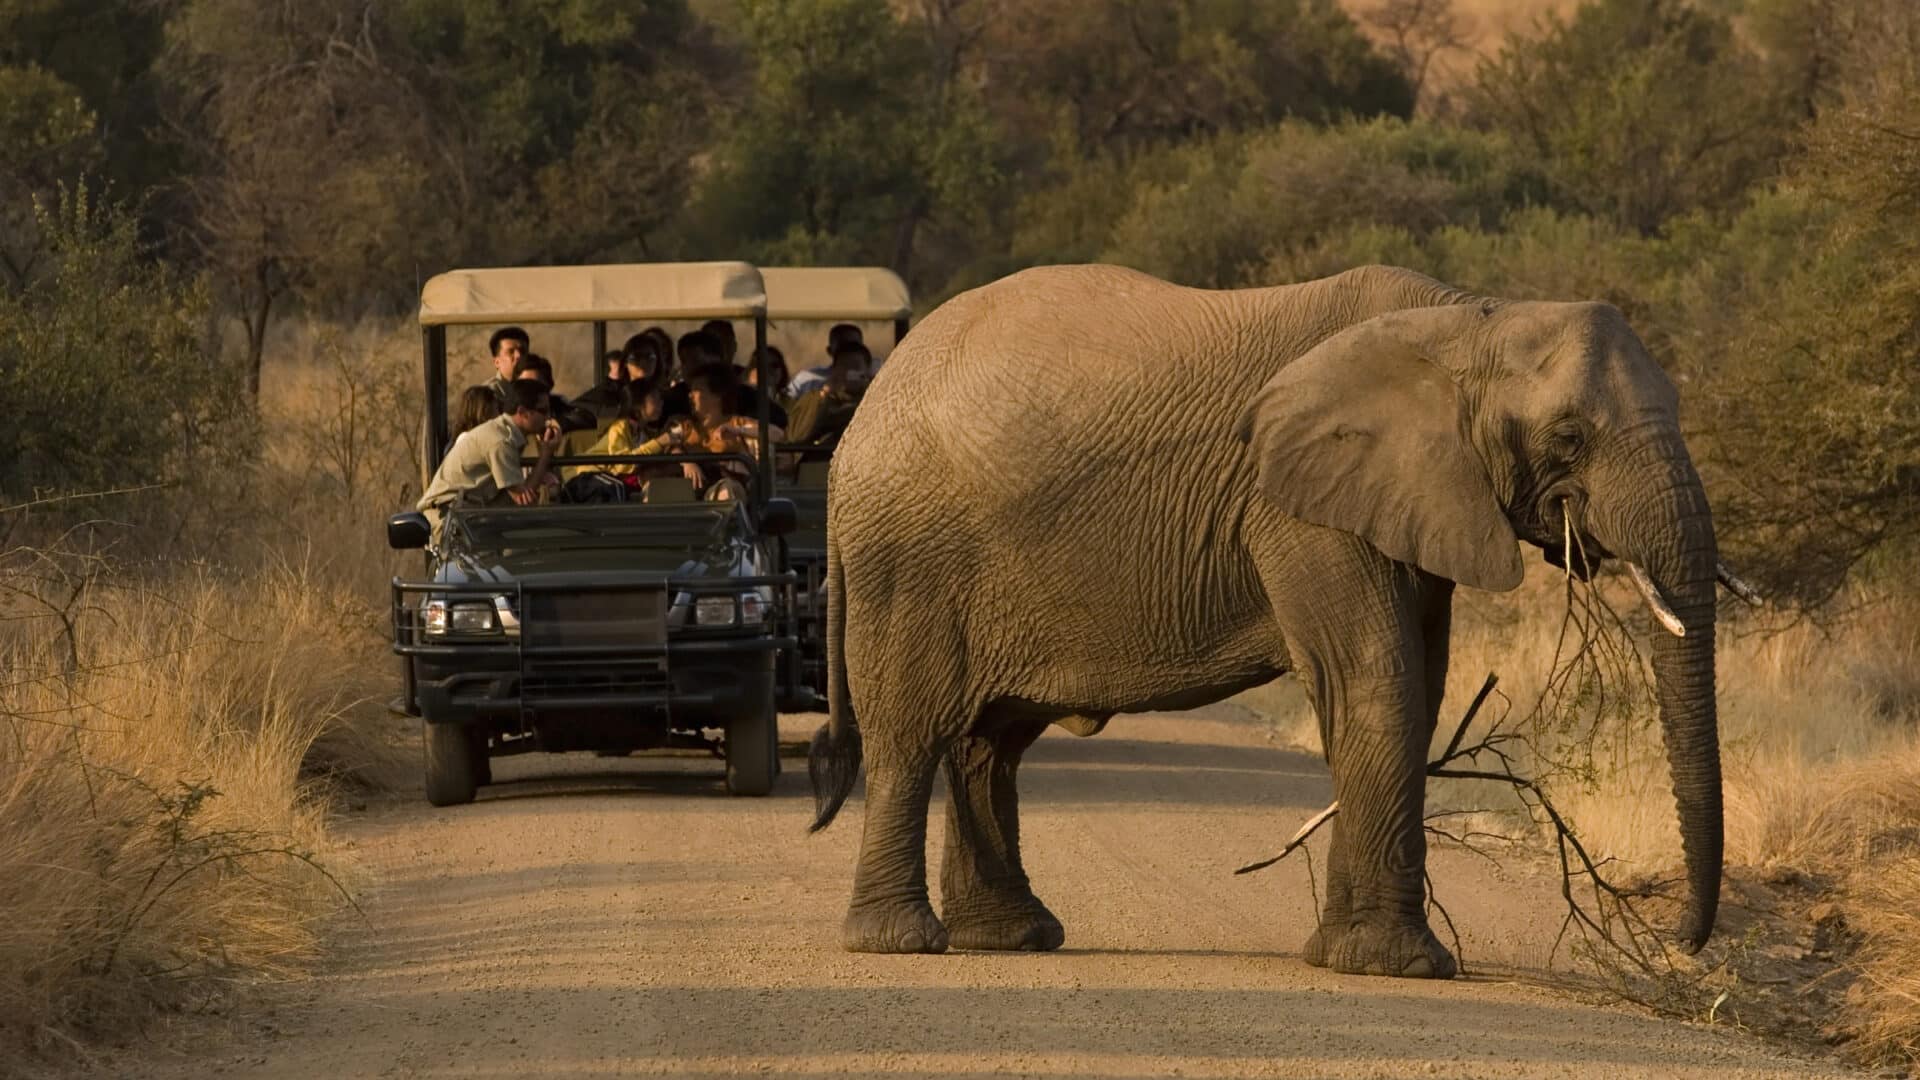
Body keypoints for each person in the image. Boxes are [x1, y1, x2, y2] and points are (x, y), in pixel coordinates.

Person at [417, 378, 562, 535]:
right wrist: (546, 453)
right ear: (522, 413)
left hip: (469, 517)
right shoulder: (500, 441)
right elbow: (523, 500)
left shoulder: (503, 433)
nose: (548, 418)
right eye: (543, 411)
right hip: (449, 522)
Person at [628, 365, 783, 501]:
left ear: (717, 395)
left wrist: (738, 431)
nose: (690, 395)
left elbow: (777, 434)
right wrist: (687, 461)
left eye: (697, 390)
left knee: (727, 492)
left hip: (720, 489)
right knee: (657, 490)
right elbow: (669, 444)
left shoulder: (737, 423)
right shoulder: (684, 425)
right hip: (686, 490)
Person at [785, 341, 870, 446]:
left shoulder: (875, 403)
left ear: (866, 370)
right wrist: (825, 393)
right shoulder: (815, 399)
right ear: (834, 369)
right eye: (844, 366)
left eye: (855, 366)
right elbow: (796, 435)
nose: (849, 371)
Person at [511, 353, 596, 433]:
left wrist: (554, 424)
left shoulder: (556, 405)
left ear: (549, 386)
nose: (530, 390)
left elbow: (586, 418)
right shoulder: (508, 408)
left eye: (536, 385)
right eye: (524, 385)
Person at [787, 323, 864, 396]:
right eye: (842, 346)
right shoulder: (807, 379)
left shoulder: (872, 380)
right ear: (829, 351)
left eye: (854, 346)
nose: (848, 351)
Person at [571, 349, 630, 424]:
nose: (625, 372)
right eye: (620, 369)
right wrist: (612, 411)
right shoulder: (603, 391)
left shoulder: (630, 387)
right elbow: (575, 405)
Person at [481, 327, 530, 401]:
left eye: (522, 351)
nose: (518, 356)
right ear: (497, 362)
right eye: (510, 352)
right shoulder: (487, 395)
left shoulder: (537, 392)